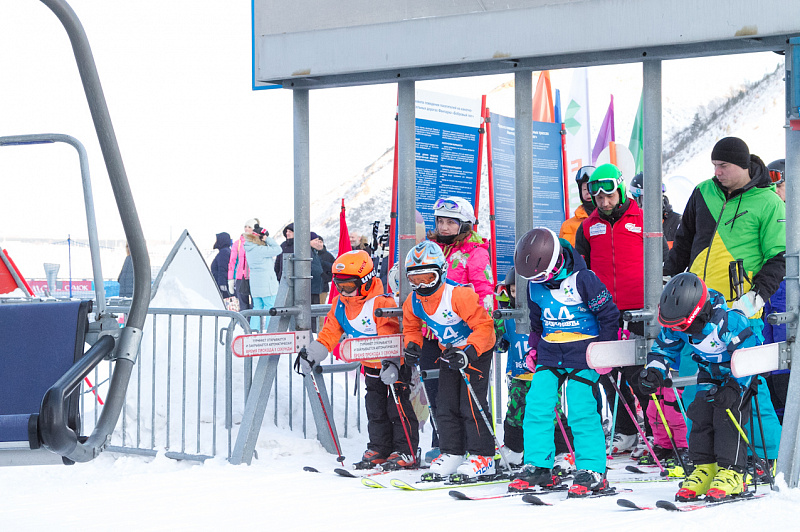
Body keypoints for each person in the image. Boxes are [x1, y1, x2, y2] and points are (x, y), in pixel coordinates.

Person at [663, 137, 785, 465]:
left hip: (738, 312)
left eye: (724, 166)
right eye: (714, 166)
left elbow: (778, 257)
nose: (717, 172)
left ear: (743, 166)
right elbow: (683, 242)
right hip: (696, 312)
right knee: (696, 390)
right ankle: (705, 458)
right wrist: (668, 280)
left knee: (748, 389)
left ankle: (769, 457)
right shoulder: (704, 192)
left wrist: (756, 297)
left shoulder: (768, 202)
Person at [509, 228, 619, 497]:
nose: (539, 282)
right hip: (550, 352)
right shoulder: (535, 285)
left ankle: (592, 469)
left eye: (542, 276)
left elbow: (609, 315)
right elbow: (537, 321)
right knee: (537, 404)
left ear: (557, 262)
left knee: (581, 404)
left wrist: (605, 350)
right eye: (533, 278)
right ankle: (538, 465)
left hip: (584, 353)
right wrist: (534, 348)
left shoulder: (584, 280)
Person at [634, 273, 762, 501]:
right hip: (709, 374)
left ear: (698, 314)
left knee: (727, 416)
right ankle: (705, 468)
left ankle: (733, 472)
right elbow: (664, 349)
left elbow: (750, 356)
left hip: (738, 377)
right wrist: (654, 372)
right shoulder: (677, 324)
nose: (679, 330)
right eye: (673, 326)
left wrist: (735, 387)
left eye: (682, 326)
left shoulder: (729, 323)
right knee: (700, 414)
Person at [299, 250, 419, 470]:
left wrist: (392, 362)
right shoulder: (340, 304)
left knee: (397, 407)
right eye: (340, 286)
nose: (344, 291)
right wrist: (312, 354)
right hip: (370, 366)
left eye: (349, 286)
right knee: (375, 408)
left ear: (365, 281)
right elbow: (330, 332)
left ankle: (406, 449)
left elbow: (389, 335)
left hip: (392, 365)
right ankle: (379, 447)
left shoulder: (380, 303)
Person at [575, 163, 652, 456]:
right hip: (605, 312)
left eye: (609, 196)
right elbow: (580, 269)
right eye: (599, 198)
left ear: (620, 191)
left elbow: (663, 261)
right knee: (609, 373)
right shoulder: (587, 227)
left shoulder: (642, 219)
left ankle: (652, 431)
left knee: (639, 374)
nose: (605, 202)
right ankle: (626, 430)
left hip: (640, 310)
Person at [401, 241, 496, 478]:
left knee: (471, 403)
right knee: (444, 403)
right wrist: (413, 346)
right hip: (449, 353)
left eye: (427, 278)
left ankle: (483, 455)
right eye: (415, 280)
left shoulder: (458, 295)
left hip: (475, 351)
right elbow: (411, 327)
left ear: (441, 273)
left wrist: (469, 352)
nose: (422, 286)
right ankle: (453, 452)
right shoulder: (414, 301)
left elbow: (484, 327)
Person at [419, 196, 494, 462]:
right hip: (432, 333)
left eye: (451, 222)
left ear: (465, 224)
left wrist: (483, 329)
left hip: (464, 334)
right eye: (440, 221)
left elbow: (484, 291)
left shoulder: (475, 252)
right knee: (439, 396)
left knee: (468, 396)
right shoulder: (430, 249)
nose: (444, 227)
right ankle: (446, 446)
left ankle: (477, 448)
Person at [494, 267, 533, 467]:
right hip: (518, 374)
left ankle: (561, 449)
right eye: (513, 291)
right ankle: (514, 448)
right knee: (515, 411)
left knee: (550, 410)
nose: (517, 296)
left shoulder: (539, 313)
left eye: (522, 290)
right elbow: (499, 343)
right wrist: (500, 313)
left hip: (543, 374)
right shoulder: (509, 316)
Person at [763, 159, 788, 423]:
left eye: (779, 186)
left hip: (788, 315)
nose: (774, 192)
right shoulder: (769, 217)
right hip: (768, 307)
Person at [629, 173, 683, 249]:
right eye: (648, 198)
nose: (654, 203)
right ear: (637, 201)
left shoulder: (678, 223)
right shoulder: (630, 226)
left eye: (657, 196)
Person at [243, 224, 281, 332]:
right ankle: (270, 331)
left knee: (257, 308)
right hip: (267, 284)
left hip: (255, 284)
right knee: (271, 307)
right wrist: (268, 239)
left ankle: (253, 330)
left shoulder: (249, 248)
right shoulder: (260, 250)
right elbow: (278, 249)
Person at [559, 166, 596, 247]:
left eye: (590, 188)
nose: (587, 192)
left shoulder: (607, 220)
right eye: (584, 189)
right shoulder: (567, 225)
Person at [228, 219, 255, 311]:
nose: (246, 229)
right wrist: (231, 279)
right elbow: (232, 262)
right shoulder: (238, 243)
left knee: (256, 304)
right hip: (240, 277)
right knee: (243, 305)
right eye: (245, 226)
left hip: (254, 277)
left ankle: (254, 320)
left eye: (249, 227)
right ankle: (244, 320)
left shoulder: (258, 243)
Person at [312, 234, 335, 305]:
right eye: (317, 241)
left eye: (320, 242)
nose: (318, 244)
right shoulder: (312, 254)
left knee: (320, 307)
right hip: (312, 287)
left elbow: (334, 269)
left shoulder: (328, 256)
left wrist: (325, 277)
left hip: (323, 288)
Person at [211, 232, 233, 300]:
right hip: (227, 284)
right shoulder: (228, 251)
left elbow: (223, 269)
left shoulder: (223, 253)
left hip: (223, 286)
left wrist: (222, 284)